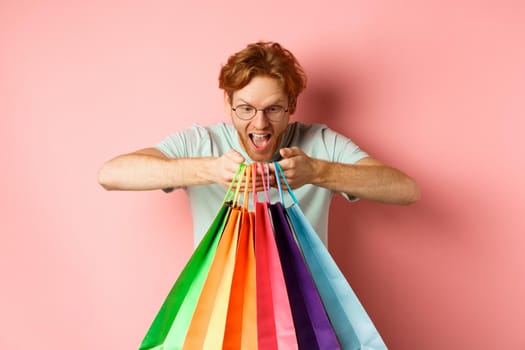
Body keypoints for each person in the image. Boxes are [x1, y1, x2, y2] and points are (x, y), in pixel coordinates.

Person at [98, 41, 420, 246]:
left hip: (303, 321)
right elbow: (112, 174)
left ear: (292, 105)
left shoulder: (319, 143)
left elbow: (405, 189)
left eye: (273, 109)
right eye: (246, 109)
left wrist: (317, 172)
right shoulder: (201, 142)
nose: (260, 123)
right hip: (218, 320)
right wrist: (209, 170)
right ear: (228, 104)